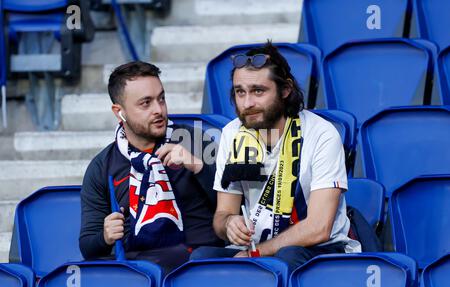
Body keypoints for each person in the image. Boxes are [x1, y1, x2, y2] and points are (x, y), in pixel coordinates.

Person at [190, 41, 361, 271]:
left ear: (285, 90)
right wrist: (229, 224)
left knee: (287, 257)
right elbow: (223, 214)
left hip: (322, 249)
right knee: (201, 259)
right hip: (257, 249)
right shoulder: (232, 133)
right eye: (240, 92)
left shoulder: (321, 134)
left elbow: (319, 228)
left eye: (258, 91)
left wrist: (257, 253)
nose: (247, 103)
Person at [79, 61, 223, 274]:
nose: (159, 110)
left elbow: (235, 209)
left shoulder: (196, 141)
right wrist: (105, 236)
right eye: (145, 103)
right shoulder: (102, 166)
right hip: (138, 270)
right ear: (120, 112)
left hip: (197, 263)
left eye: (161, 99)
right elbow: (87, 246)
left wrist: (198, 167)